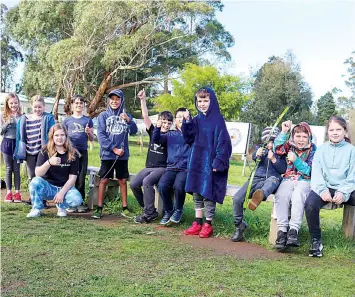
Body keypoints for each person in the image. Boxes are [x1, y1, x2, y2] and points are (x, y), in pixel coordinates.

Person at [182, 87, 232, 238]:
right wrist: (187, 123)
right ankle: (197, 222)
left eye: (205, 100)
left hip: (210, 164)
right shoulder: (196, 119)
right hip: (196, 161)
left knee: (208, 194)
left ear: (212, 101)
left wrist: (218, 162)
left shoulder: (218, 120)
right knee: (197, 191)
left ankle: (208, 224)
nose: (202, 104)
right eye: (199, 101)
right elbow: (188, 139)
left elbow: (224, 143)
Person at [305, 116, 355, 257]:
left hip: (346, 188)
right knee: (310, 204)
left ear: (345, 131)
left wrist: (343, 192)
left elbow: (352, 176)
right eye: (331, 130)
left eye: (338, 129)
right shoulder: (320, 150)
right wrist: (322, 190)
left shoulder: (352, 150)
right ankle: (316, 240)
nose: (335, 132)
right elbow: (317, 173)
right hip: (324, 187)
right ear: (327, 132)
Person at [231, 126, 287, 242]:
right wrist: (258, 154)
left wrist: (274, 160)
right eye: (268, 142)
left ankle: (260, 195)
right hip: (255, 179)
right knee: (237, 198)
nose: (271, 145)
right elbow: (253, 156)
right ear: (264, 141)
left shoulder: (280, 153)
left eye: (273, 141)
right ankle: (239, 225)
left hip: (272, 178)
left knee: (271, 182)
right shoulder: (260, 150)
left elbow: (282, 169)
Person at [92, 89, 138, 219]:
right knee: (104, 179)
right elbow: (101, 136)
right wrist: (113, 149)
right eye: (112, 99)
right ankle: (99, 208)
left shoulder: (126, 115)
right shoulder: (103, 116)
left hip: (123, 155)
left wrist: (129, 120)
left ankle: (125, 207)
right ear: (108, 101)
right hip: (108, 154)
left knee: (122, 180)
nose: (114, 101)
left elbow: (134, 131)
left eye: (117, 99)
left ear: (121, 100)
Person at [131, 89, 173, 223]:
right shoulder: (154, 132)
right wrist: (143, 100)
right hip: (149, 167)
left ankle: (149, 214)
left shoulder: (171, 137)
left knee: (147, 182)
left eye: (168, 123)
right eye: (164, 122)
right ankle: (147, 208)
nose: (166, 125)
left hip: (161, 168)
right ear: (159, 121)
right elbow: (145, 117)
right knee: (134, 184)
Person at [273, 121, 316, 251]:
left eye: (304, 136)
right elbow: (277, 149)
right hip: (288, 178)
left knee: (298, 195)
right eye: (298, 136)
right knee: (281, 194)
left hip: (305, 180)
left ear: (309, 137)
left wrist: (296, 160)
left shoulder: (313, 149)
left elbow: (311, 171)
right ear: (293, 136)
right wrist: (284, 132)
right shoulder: (289, 146)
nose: (301, 140)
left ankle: (293, 232)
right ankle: (282, 232)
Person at [26, 123, 83, 218]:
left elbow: (72, 178)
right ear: (52, 137)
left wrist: (61, 193)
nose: (59, 138)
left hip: (64, 187)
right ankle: (36, 208)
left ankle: (61, 206)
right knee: (35, 182)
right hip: (48, 187)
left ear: (66, 136)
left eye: (62, 135)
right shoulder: (44, 151)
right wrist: (49, 162)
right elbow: (37, 173)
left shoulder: (73, 153)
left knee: (76, 200)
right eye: (56, 135)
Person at [152, 107, 191, 225]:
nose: (181, 119)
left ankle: (179, 209)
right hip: (171, 167)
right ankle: (169, 210)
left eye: (184, 117)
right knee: (162, 185)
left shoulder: (191, 135)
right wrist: (157, 128)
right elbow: (156, 140)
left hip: (184, 169)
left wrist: (189, 123)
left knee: (179, 186)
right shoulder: (170, 134)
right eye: (179, 117)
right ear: (175, 120)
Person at [63, 94, 94, 212]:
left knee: (81, 178)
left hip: (82, 153)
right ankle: (70, 202)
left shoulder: (88, 120)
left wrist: (89, 133)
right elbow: (63, 137)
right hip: (70, 153)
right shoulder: (67, 121)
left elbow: (91, 139)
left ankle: (80, 202)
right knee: (70, 177)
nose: (79, 105)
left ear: (84, 105)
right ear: (72, 105)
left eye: (81, 103)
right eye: (76, 103)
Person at [15, 95, 55, 181]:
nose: (37, 109)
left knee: (43, 175)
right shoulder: (24, 119)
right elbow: (19, 136)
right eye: (35, 107)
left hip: (43, 151)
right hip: (30, 151)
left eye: (40, 107)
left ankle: (43, 193)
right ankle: (32, 194)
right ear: (31, 107)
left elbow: (54, 132)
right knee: (32, 176)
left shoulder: (48, 118)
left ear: (44, 107)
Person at [1, 93, 22, 202]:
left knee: (17, 169)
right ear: (7, 104)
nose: (14, 105)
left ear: (18, 103)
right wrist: (7, 123)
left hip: (18, 144)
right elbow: (1, 131)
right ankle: (9, 193)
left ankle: (17, 193)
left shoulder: (21, 116)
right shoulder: (2, 115)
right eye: (11, 103)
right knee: (9, 169)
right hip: (7, 143)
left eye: (15, 103)